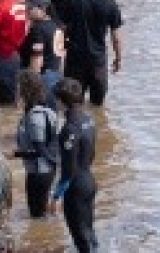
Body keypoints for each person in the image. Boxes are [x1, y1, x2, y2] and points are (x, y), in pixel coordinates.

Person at [63, 0, 123, 107]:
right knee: (98, 106)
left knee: (73, 104)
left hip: (75, 60)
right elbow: (116, 38)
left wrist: (61, 50)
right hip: (98, 62)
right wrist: (118, 59)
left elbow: (62, 28)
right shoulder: (110, 3)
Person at [51, 77, 99, 253]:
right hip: (89, 181)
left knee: (80, 237)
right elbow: (92, 154)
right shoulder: (89, 120)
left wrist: (57, 196)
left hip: (76, 187)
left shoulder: (69, 129)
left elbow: (68, 169)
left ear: (62, 102)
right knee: (89, 231)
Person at [13, 69, 59, 219]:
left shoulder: (35, 117)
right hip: (46, 170)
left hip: (40, 171)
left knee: (36, 216)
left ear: (25, 91)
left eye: (18, 87)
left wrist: (16, 154)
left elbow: (40, 151)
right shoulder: (47, 111)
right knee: (41, 213)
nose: (16, 90)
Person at [20, 0, 66, 97]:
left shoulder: (38, 29)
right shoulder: (56, 26)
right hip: (56, 73)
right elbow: (62, 55)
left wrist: (32, 85)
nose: (26, 11)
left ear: (43, 9)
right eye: (26, 7)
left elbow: (37, 59)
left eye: (30, 8)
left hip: (43, 77)